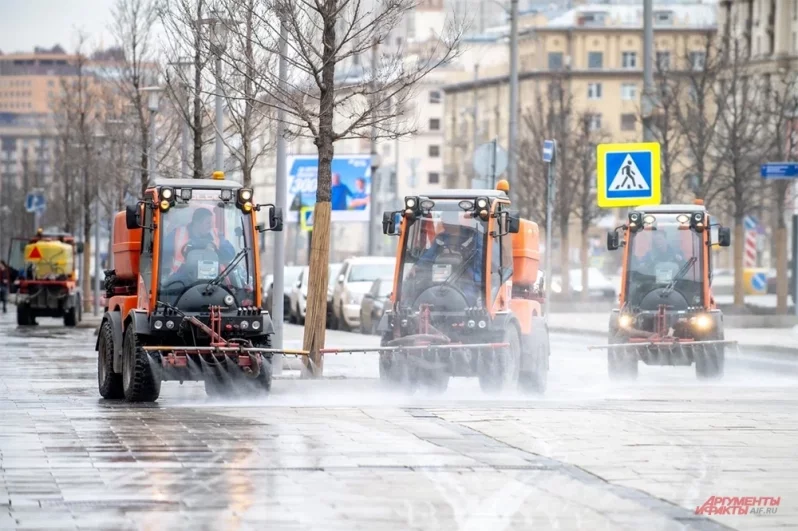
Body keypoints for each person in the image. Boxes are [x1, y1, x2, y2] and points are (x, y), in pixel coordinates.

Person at [412, 213, 484, 304]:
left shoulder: (473, 236)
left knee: (468, 297)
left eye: (445, 221)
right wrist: (417, 266)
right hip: (440, 278)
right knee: (420, 293)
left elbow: (481, 258)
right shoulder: (441, 238)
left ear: (453, 222)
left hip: (465, 278)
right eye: (442, 221)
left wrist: (477, 278)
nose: (442, 224)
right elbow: (428, 257)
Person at [162, 208, 236, 277]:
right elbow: (162, 254)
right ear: (196, 223)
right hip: (182, 280)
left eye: (212, 223)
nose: (211, 226)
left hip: (214, 280)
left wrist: (215, 251)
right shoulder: (177, 234)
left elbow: (230, 253)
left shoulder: (216, 234)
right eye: (208, 223)